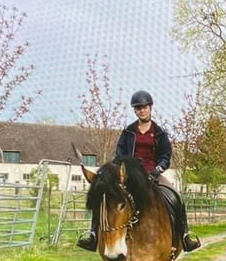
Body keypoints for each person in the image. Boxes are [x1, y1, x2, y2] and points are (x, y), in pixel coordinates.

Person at [77, 90, 201, 252]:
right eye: (138, 108)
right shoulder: (128, 132)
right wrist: (121, 170)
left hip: (153, 174)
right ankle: (93, 235)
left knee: (176, 195)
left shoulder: (160, 133)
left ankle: (184, 236)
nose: (142, 110)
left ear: (150, 108)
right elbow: (120, 154)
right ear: (135, 110)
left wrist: (159, 169)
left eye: (144, 107)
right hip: (130, 175)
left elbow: (166, 155)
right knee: (105, 197)